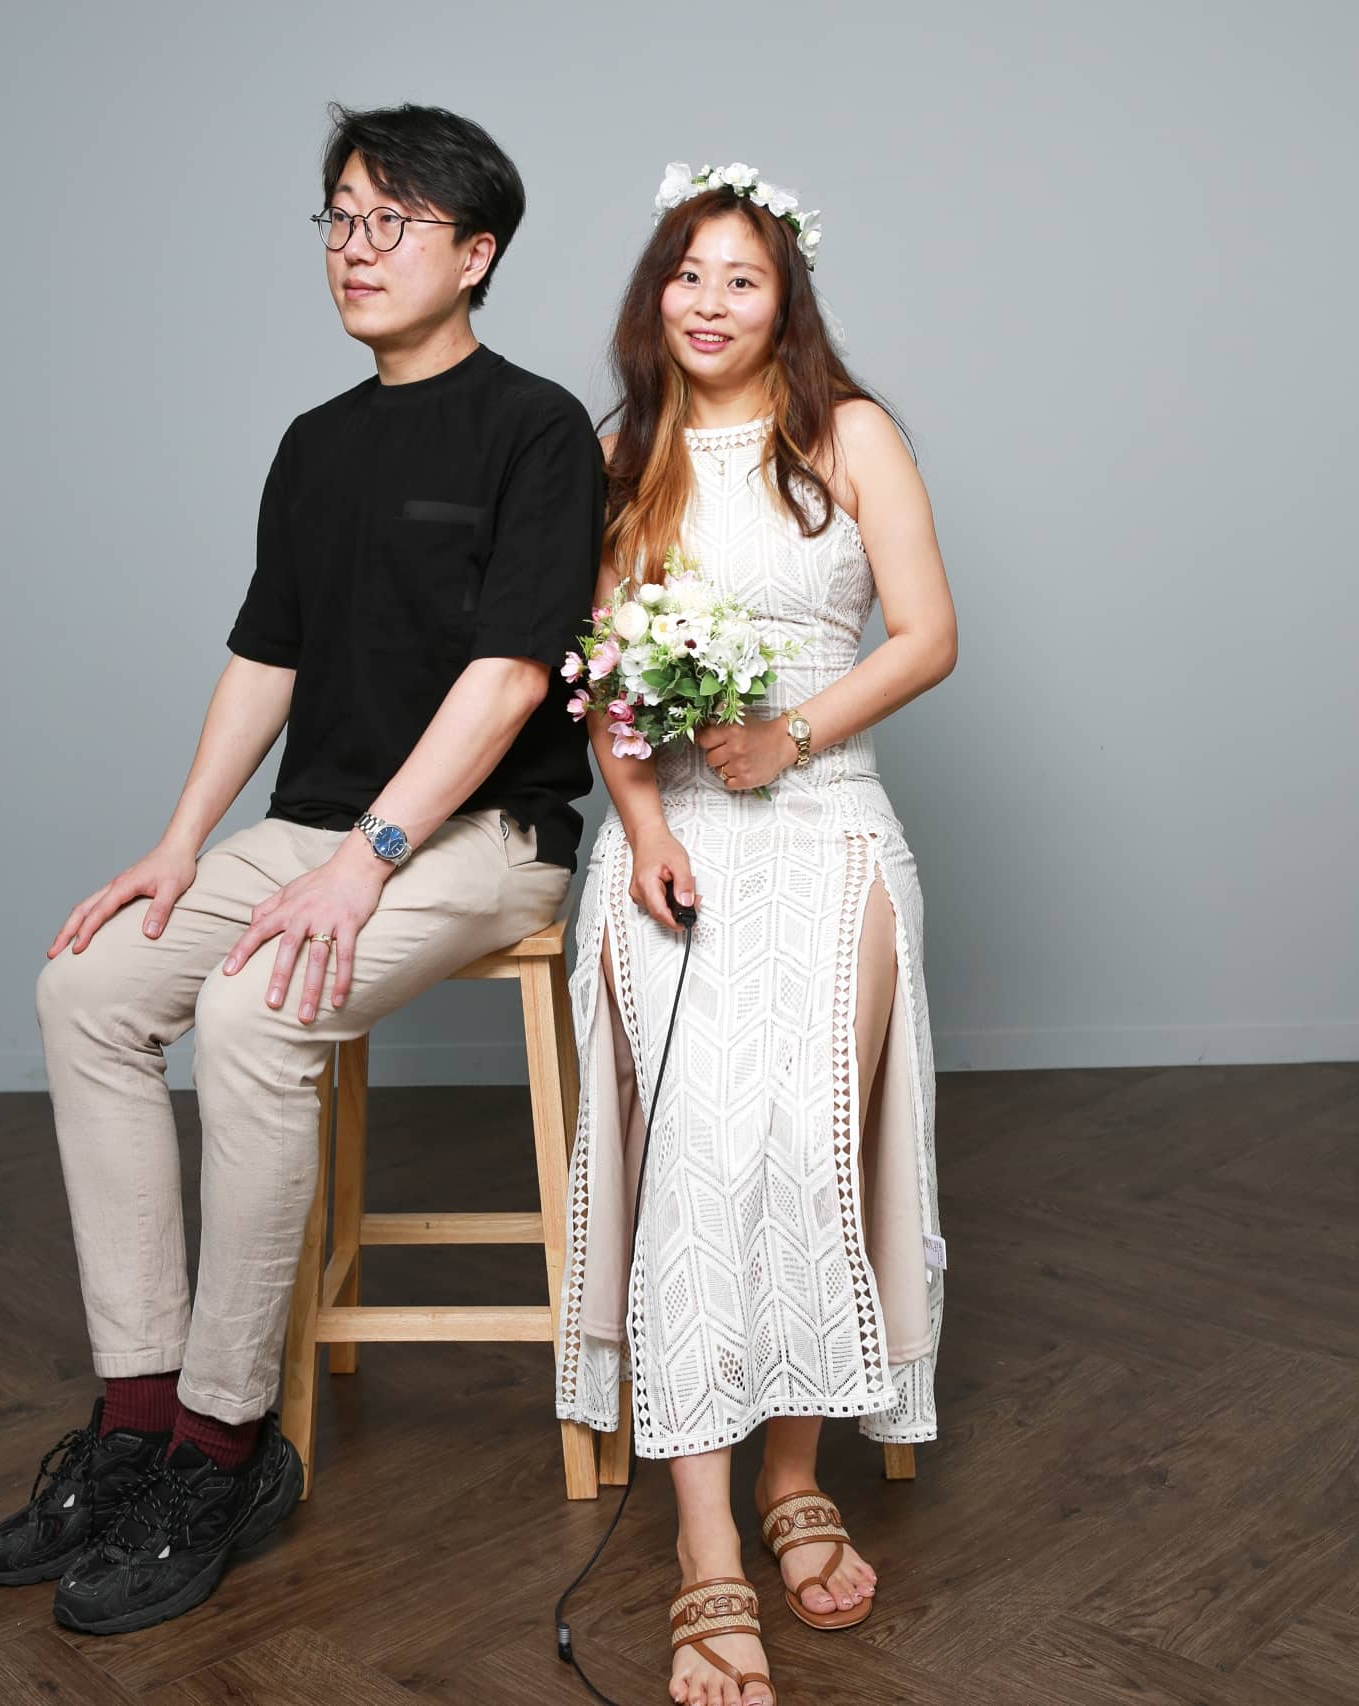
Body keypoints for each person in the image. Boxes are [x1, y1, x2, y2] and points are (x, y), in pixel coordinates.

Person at [0, 102, 603, 1636]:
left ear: (477, 254)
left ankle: (223, 1442)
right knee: (86, 989)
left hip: (482, 839)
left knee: (256, 1010)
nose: (355, 246)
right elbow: (266, 654)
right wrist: (180, 840)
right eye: (339, 215)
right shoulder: (315, 443)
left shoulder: (534, 429)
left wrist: (371, 856)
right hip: (309, 829)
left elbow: (511, 677)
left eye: (393, 220)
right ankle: (134, 1421)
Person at [554, 161, 957, 1706]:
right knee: (701, 1154)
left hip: (826, 819)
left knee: (806, 1142)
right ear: (652, 294)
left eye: (742, 276)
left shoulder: (848, 434)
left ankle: (796, 1470)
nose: (709, 301)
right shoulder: (622, 456)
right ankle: (706, 1536)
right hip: (676, 840)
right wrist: (646, 829)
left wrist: (790, 734)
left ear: (785, 301)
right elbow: (603, 682)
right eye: (687, 272)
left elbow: (927, 633)